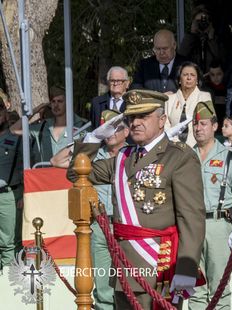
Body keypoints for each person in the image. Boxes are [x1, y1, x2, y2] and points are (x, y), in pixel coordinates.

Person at [67, 89, 205, 309]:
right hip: (123, 269)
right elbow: (76, 173)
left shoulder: (178, 156)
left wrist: (187, 269)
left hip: (158, 268)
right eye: (131, 117)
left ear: (162, 120)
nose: (136, 123)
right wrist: (93, 139)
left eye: (144, 116)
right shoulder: (124, 157)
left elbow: (191, 218)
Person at [51, 110, 129, 309]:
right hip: (100, 225)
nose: (111, 133)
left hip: (126, 226)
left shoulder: (133, 153)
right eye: (106, 128)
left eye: (115, 128)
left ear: (127, 131)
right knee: (102, 288)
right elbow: (57, 161)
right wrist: (91, 139)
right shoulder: (91, 154)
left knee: (129, 287)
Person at [189, 101, 232, 310]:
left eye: (203, 124)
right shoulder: (187, 156)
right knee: (193, 289)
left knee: (219, 288)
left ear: (214, 126)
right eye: (195, 124)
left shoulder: (228, 156)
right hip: (192, 226)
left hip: (218, 224)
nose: (198, 128)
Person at [10, 86, 88, 165]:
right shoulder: (42, 126)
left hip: (70, 176)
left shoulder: (82, 126)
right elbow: (13, 130)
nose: (56, 105)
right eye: (53, 101)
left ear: (68, 103)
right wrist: (34, 111)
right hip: (45, 176)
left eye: (60, 101)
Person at [164, 61, 212, 148]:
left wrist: (189, 147)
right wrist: (177, 143)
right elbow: (165, 126)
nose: (189, 78)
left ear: (197, 80)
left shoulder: (205, 97)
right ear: (179, 80)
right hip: (172, 147)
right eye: (185, 75)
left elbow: (205, 125)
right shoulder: (169, 99)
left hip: (197, 147)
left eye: (192, 75)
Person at [0, 98, 22, 274]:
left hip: (9, 195)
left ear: (5, 113)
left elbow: (26, 168)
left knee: (8, 243)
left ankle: (6, 286)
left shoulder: (16, 139)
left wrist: (24, 194)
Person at [132, 29, 187, 93]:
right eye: (158, 49)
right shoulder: (144, 65)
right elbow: (135, 88)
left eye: (165, 48)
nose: (161, 52)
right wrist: (156, 96)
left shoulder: (187, 64)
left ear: (174, 45)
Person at [178, 6, 225, 74]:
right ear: (193, 22)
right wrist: (192, 34)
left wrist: (211, 38)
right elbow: (181, 57)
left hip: (211, 81)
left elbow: (221, 59)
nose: (202, 24)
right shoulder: (190, 40)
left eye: (204, 21)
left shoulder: (216, 40)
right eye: (198, 21)